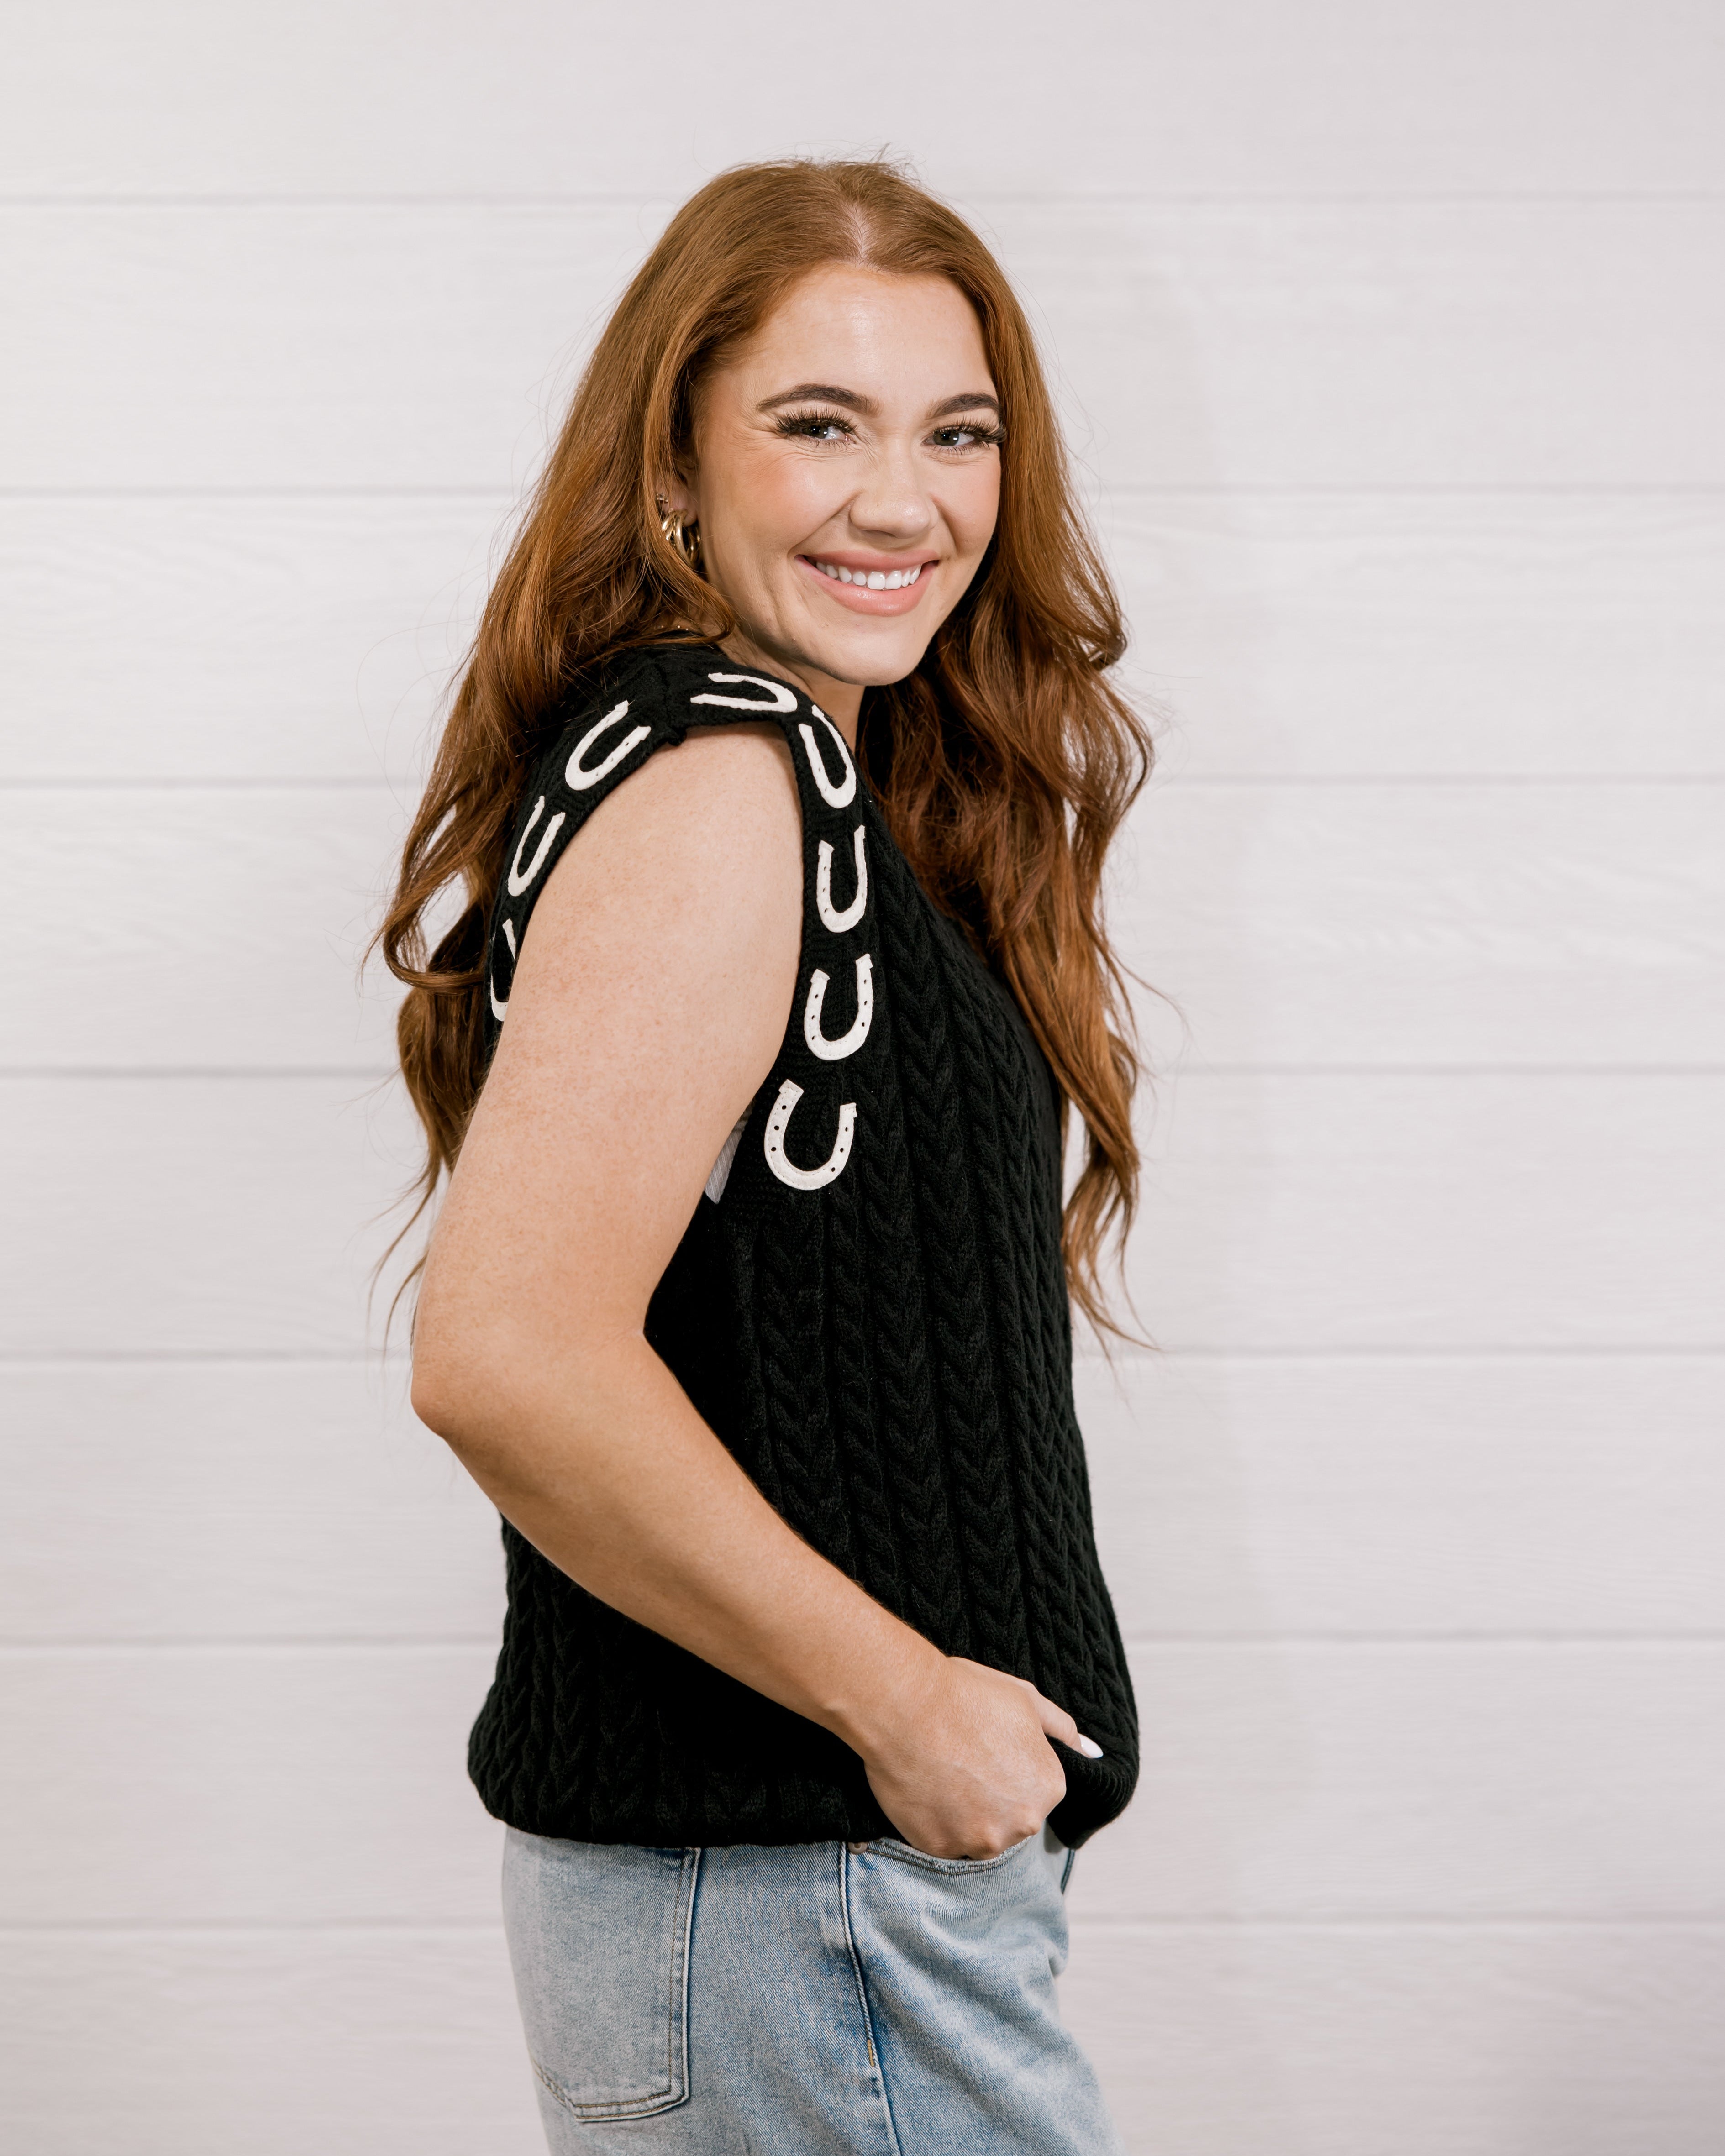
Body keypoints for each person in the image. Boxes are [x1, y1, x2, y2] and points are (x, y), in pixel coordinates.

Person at [383, 157, 1149, 2155]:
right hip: (811, 1903)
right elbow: (508, 1355)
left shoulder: (776, 769)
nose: (905, 499)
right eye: (820, 425)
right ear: (676, 468)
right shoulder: (728, 775)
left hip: (808, 1905)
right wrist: (905, 1701)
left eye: (956, 432)